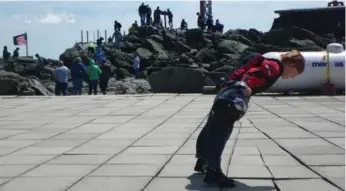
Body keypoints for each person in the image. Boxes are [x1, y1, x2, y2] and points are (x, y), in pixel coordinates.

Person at [194, 50, 305, 188]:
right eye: (294, 74)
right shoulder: (274, 68)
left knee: (212, 126)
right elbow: (252, 74)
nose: (291, 77)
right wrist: (247, 85)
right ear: (291, 65)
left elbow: (248, 65)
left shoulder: (270, 63)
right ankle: (213, 172)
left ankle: (203, 160)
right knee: (221, 132)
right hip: (232, 99)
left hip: (226, 93)